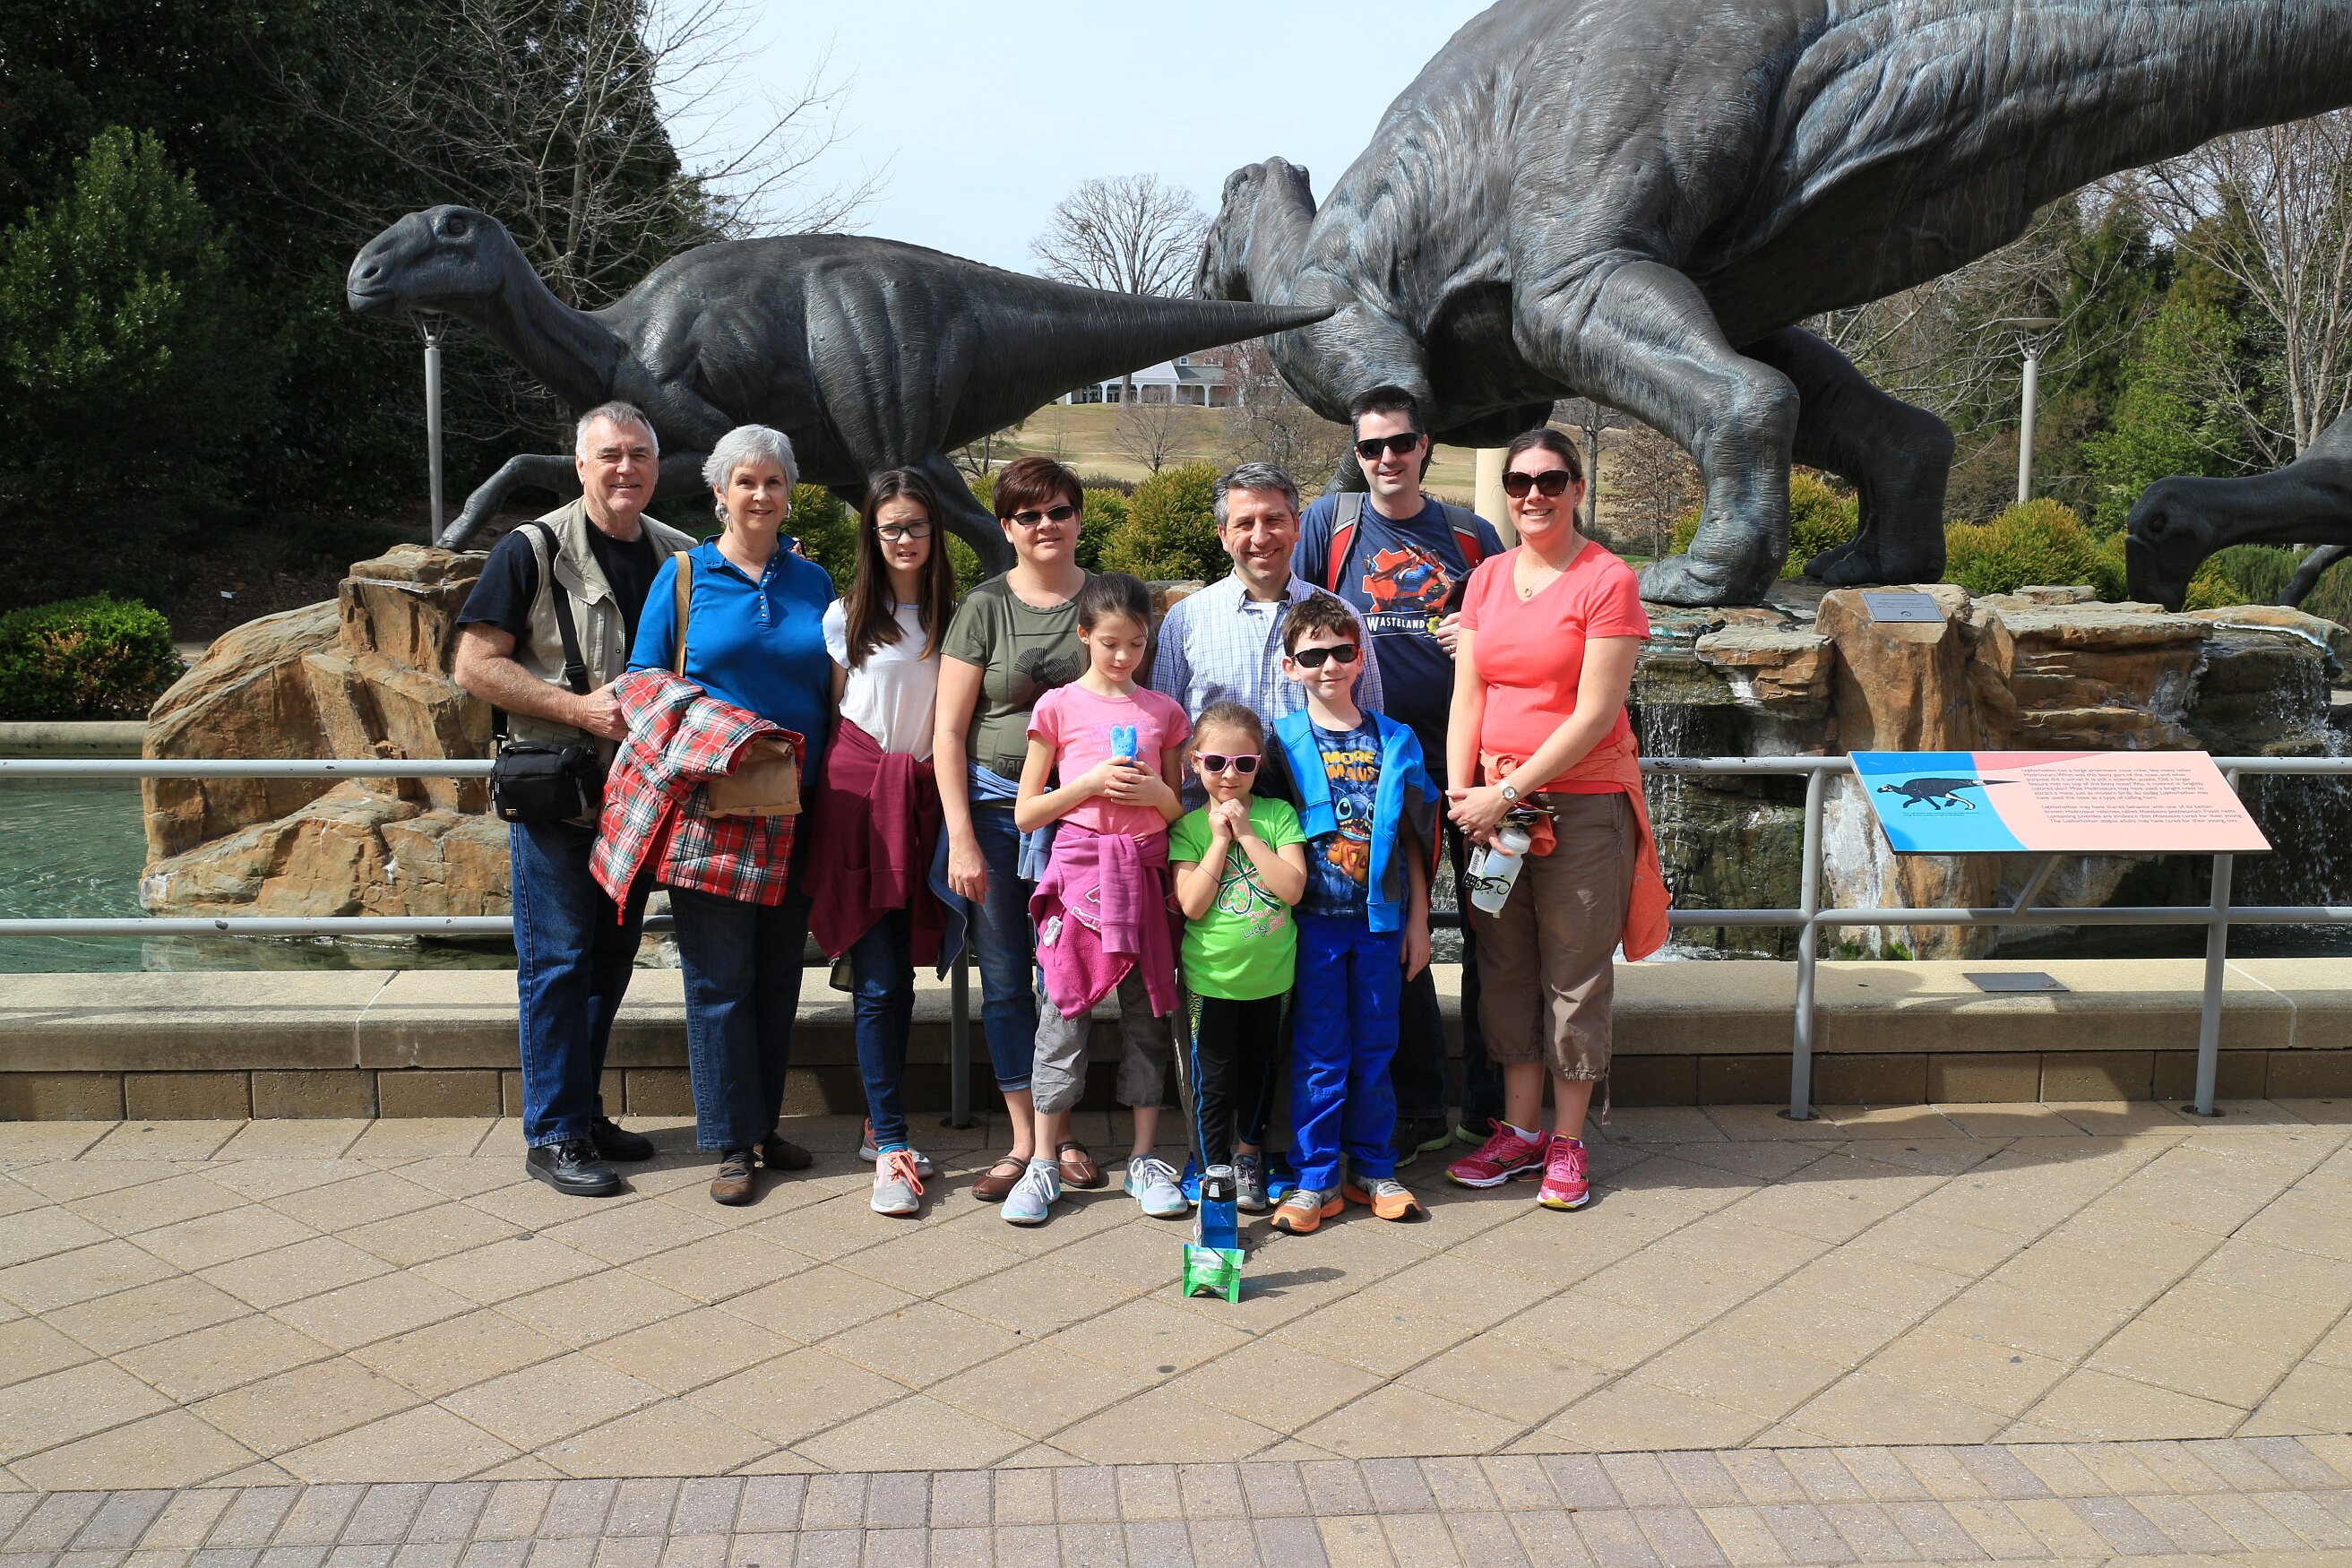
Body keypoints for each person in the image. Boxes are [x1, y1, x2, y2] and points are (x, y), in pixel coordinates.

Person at [452, 401, 697, 1198]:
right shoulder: (531, 549)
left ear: (656, 466)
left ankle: (582, 1114)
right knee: (557, 963)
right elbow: (473, 665)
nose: (625, 468)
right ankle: (553, 1133)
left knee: (608, 965)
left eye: (639, 454)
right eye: (609, 454)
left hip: (641, 801)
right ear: (580, 465)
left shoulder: (679, 556)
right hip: (560, 798)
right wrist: (577, 710)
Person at [1443, 427, 1669, 1211]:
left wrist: (1502, 793)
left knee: (1573, 972)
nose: (1532, 495)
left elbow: (1595, 713)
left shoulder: (1607, 579)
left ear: (1576, 488)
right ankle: (1519, 1132)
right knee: (1505, 968)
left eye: (1549, 480)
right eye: (1518, 482)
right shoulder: (1487, 577)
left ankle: (1568, 1141)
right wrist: (1462, 797)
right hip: (1492, 814)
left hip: (1577, 806)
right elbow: (1468, 695)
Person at [625, 424, 836, 1206]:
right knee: (719, 982)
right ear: (719, 492)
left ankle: (763, 1125)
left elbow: (834, 687)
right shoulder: (684, 575)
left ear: (788, 492)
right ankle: (729, 1142)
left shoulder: (813, 581)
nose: (760, 494)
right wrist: (723, 733)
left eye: (773, 481)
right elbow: (641, 681)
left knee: (778, 978)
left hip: (796, 808)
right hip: (713, 809)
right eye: (745, 481)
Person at [1297, 386, 1508, 1168]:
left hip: (1471, 761)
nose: (1386, 457)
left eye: (1399, 443)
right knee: (1392, 926)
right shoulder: (1330, 524)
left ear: (1424, 446)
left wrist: (1477, 641)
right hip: (1373, 766)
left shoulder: (1471, 533)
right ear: (1356, 455)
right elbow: (1297, 620)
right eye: (1370, 446)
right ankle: (1417, 1106)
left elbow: (1510, 630)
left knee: (1493, 929)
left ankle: (1490, 1110)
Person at [935, 457, 1099, 1204]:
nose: (1045, 526)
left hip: (1080, 821)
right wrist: (962, 838)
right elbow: (948, 733)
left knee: (1065, 979)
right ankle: (1024, 1139)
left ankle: (1061, 1132)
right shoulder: (984, 607)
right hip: (995, 815)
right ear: (1005, 527)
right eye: (1027, 515)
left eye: (1058, 511)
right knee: (1004, 979)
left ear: (1077, 517)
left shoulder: (1103, 598)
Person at [803, 470, 956, 1218]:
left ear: (935, 532)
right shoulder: (846, 617)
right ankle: (889, 1140)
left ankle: (878, 1124)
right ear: (871, 533)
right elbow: (840, 712)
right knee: (878, 976)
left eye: (916, 525)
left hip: (928, 799)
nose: (904, 539)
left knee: (900, 974)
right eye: (890, 526)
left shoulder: (957, 616)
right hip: (862, 801)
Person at [1016, 573, 1191, 1224]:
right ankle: (1041, 1160)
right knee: (1062, 1015)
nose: (1123, 656)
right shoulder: (1057, 707)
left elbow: (1178, 814)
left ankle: (1145, 1157)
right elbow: (1027, 812)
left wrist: (1158, 796)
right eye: (1111, 642)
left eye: (1136, 644)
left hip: (1144, 878)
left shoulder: (1163, 712)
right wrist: (1088, 783)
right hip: (1078, 877)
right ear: (1084, 635)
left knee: (1148, 1018)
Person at [1265, 595, 1436, 1235]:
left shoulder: (1395, 740)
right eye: (1313, 656)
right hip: (1311, 924)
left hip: (1379, 924)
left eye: (1342, 652)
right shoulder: (1279, 744)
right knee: (1318, 1051)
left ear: (1360, 658)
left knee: (1375, 1046)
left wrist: (1418, 922)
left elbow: (1414, 840)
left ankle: (1372, 1167)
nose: (1329, 666)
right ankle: (1315, 1177)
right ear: (1290, 667)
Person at [1150, 462, 1383, 786]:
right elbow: (1160, 733)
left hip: (1314, 811)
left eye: (1274, 520)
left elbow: (1371, 727)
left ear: (1296, 526)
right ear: (1223, 535)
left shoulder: (1342, 617)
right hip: (1207, 812)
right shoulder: (1185, 620)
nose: (1260, 537)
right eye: (1244, 523)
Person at [1169, 702, 1307, 1213]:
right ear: (1195, 762)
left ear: (1258, 765)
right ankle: (1214, 1168)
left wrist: (1247, 834)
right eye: (1216, 763)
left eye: (1244, 764)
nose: (1230, 775)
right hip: (1211, 981)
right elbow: (1191, 903)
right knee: (1213, 1081)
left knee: (1261, 1072)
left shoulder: (1277, 816)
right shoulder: (1188, 828)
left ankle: (1249, 1157)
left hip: (1271, 977)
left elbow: (1292, 889)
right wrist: (1219, 840)